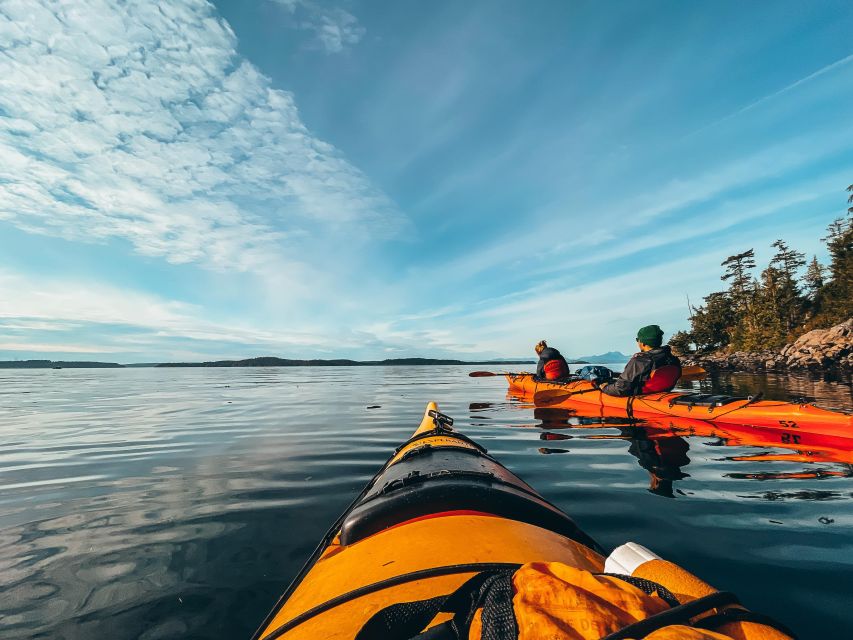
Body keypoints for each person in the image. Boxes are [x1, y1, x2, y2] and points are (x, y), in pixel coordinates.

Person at [600, 325, 681, 396]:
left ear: (643, 343)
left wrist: (605, 387)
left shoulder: (639, 361)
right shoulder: (672, 358)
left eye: (637, 340)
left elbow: (621, 389)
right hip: (662, 393)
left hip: (642, 396)